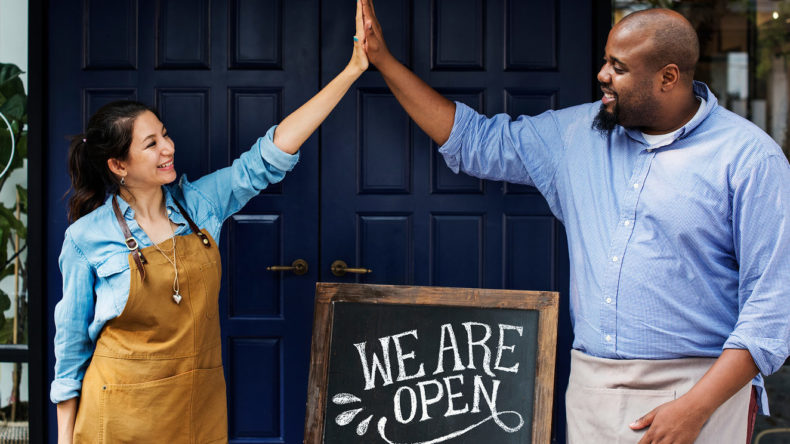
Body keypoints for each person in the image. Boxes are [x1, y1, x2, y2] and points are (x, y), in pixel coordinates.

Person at [358, 2, 790, 443]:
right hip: (593, 390)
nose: (602, 74)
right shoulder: (575, 135)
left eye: (618, 67)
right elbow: (474, 140)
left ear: (668, 77)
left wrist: (695, 408)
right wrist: (384, 62)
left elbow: (771, 313)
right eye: (605, 60)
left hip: (701, 394)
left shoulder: (749, 159)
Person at [50, 3, 368, 443]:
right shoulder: (86, 239)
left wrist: (351, 71)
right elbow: (70, 356)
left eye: (165, 134)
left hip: (197, 409)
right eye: (151, 143)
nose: (168, 148)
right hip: (117, 420)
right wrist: (65, 439)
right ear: (118, 164)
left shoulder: (198, 206)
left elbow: (268, 157)